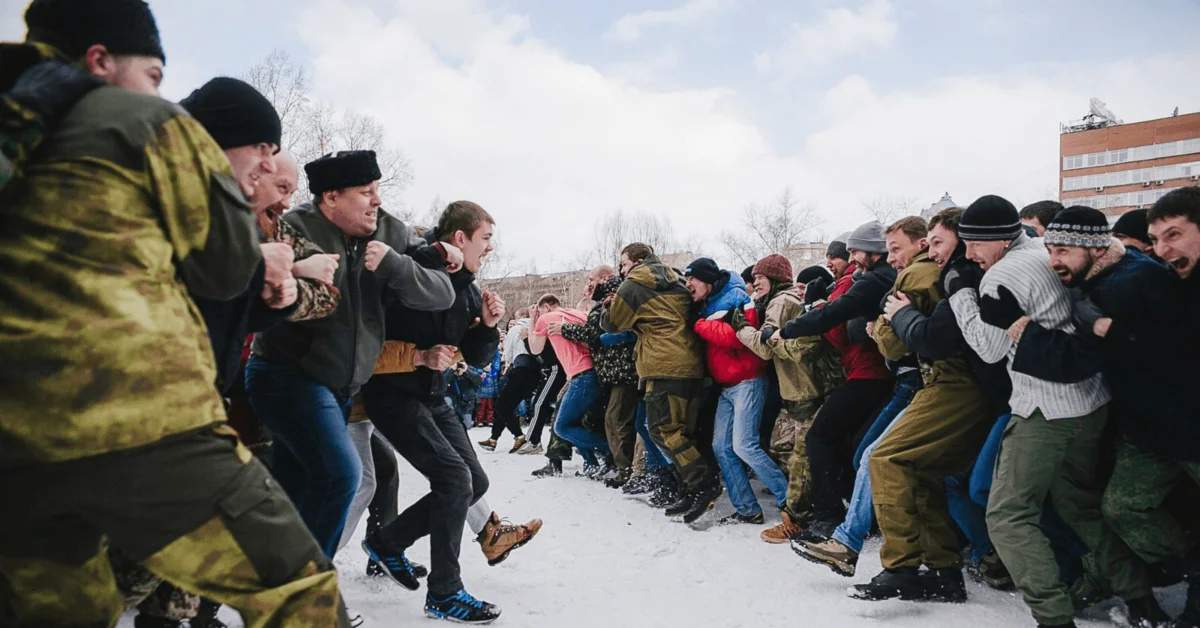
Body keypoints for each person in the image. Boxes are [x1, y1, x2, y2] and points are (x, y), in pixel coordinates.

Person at [0, 2, 350, 625]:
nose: (163, 95)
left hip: (19, 444)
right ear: (100, 61)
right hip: (136, 425)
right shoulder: (145, 123)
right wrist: (271, 261)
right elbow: (221, 267)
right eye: (156, 77)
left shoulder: (18, 130)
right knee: (296, 589)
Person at [946, 195, 1165, 628]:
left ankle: (1054, 617)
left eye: (974, 244)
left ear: (1000, 239)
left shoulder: (1000, 276)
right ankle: (1142, 601)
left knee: (1007, 516)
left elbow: (990, 349)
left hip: (1045, 408)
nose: (968, 254)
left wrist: (960, 295)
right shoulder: (1042, 251)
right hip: (1091, 401)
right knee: (1078, 505)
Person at [247, 150, 458, 559]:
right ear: (330, 197)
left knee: (292, 489)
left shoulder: (388, 231)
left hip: (342, 388)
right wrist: (295, 272)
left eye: (377, 189)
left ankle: (271, 583)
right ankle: (309, 593)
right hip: (287, 376)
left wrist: (397, 266)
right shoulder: (294, 227)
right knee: (344, 476)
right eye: (365, 192)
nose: (376, 200)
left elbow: (441, 294)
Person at [1002, 202, 1197, 626]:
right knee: (1121, 508)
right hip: (1147, 428)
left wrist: (1023, 329)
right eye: (1049, 250)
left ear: (1092, 248)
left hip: (1186, 424)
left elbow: (1079, 360)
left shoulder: (1128, 284)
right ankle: (1183, 572)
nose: (1054, 262)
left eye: (1063, 252)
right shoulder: (1109, 274)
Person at [359, 200, 534, 623]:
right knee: (453, 479)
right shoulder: (416, 272)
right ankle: (444, 592)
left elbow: (472, 357)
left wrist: (489, 326)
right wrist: (421, 355)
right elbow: (397, 283)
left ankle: (386, 543)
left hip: (433, 397)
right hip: (394, 393)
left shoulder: (469, 289)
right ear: (460, 238)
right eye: (486, 238)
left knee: (473, 480)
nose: (490, 247)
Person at [848, 215, 998, 603]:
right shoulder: (948, 273)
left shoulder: (917, 277)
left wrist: (885, 324)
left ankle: (901, 567)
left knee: (884, 458)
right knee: (925, 472)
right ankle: (945, 572)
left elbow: (900, 346)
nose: (892, 257)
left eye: (897, 248)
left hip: (952, 383)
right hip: (962, 384)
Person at [772, 221, 897, 538]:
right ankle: (858, 514)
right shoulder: (868, 278)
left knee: (822, 437)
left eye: (852, 251)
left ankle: (830, 516)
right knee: (852, 446)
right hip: (867, 373)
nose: (848, 257)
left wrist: (788, 328)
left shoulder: (871, 280)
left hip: (870, 375)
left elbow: (835, 323)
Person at [602, 242, 720, 524]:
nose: (621, 269)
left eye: (623, 263)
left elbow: (611, 325)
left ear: (638, 260)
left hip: (663, 365)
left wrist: (610, 305)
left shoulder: (632, 285)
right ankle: (690, 489)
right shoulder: (677, 279)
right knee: (682, 431)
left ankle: (704, 484)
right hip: (690, 364)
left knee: (662, 429)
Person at [736, 258, 845, 542]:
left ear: (775, 278)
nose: (756, 281)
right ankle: (802, 507)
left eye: (761, 277)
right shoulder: (777, 300)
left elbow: (766, 347)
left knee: (801, 461)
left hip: (806, 390)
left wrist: (740, 328)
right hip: (794, 391)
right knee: (782, 449)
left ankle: (798, 519)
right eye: (755, 277)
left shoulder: (781, 303)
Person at [685, 257, 785, 525]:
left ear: (706, 279)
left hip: (748, 381)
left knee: (746, 446)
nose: (688, 284)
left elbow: (738, 337)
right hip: (726, 386)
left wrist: (700, 324)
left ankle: (792, 502)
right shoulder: (708, 303)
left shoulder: (738, 297)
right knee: (722, 448)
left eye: (692, 279)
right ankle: (747, 508)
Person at [559, 268, 643, 488]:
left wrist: (563, 328)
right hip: (613, 372)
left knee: (616, 420)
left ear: (605, 279)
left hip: (623, 370)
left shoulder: (614, 296)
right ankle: (617, 463)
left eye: (591, 279)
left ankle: (626, 470)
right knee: (609, 419)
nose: (588, 283)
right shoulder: (605, 298)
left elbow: (594, 332)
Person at [530, 293, 613, 474]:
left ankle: (609, 450)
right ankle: (591, 462)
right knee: (576, 421)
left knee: (562, 426)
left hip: (581, 375)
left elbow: (535, 348)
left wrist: (532, 320)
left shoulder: (546, 317)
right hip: (594, 373)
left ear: (546, 306)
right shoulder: (579, 315)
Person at [487, 308, 538, 452]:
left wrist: (508, 359)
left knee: (501, 406)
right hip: (535, 373)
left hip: (520, 370)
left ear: (521, 316)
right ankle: (493, 439)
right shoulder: (536, 327)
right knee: (507, 407)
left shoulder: (516, 328)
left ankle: (519, 436)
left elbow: (508, 354)